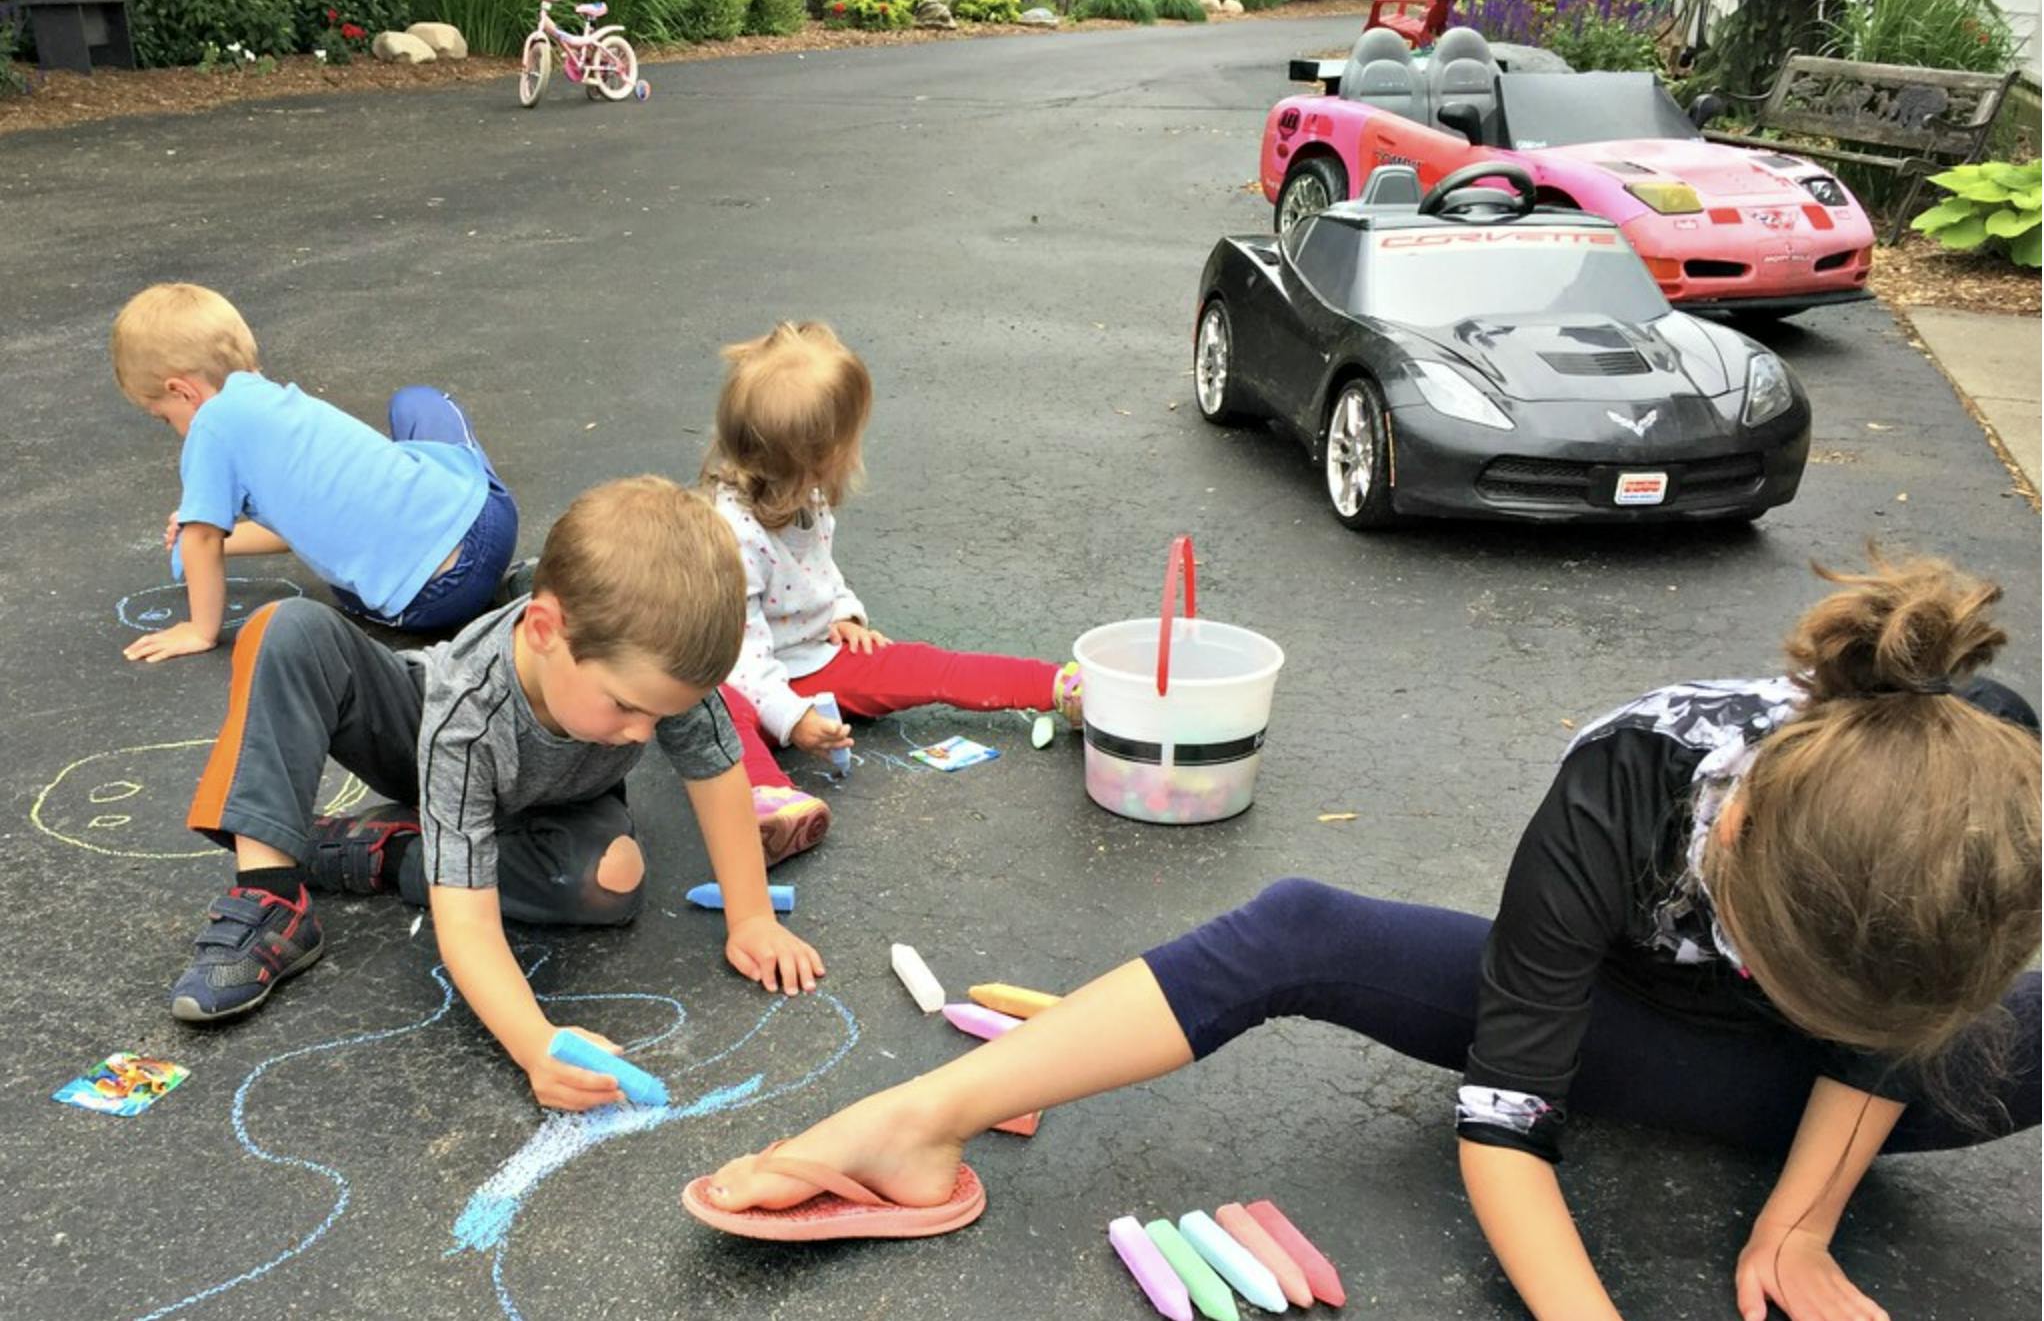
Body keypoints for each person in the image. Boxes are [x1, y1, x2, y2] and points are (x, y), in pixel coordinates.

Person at [688, 552, 2041, 1321]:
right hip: (1621, 1020)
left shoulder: (1988, 773)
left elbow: (1908, 1030)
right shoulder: (1629, 779)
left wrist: (1801, 1226)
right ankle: (919, 1121)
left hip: (1876, 1066)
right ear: (1733, 846)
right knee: (1300, 927)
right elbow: (1509, 1113)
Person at [170, 476, 824, 1111]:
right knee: (289, 630)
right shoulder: (466, 711)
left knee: (613, 880)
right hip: (420, 733)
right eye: (628, 709)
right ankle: (272, 893)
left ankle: (389, 849)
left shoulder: (653, 659)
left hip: (555, 798)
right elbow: (468, 926)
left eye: (658, 716)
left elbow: (715, 772)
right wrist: (535, 1043)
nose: (642, 734)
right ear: (545, 630)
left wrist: (752, 919)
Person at [701, 322, 1084, 863]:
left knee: (926, 667)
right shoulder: (731, 532)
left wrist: (844, 615)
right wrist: (792, 718)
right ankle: (766, 802)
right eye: (850, 441)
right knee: (719, 715)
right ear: (819, 455)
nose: (857, 452)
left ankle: (1058, 686)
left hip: (812, 658)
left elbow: (818, 573)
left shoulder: (802, 494)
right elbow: (740, 656)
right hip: (743, 676)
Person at [111, 282, 518, 660]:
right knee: (416, 404)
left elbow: (202, 538)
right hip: (488, 523)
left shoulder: (210, 427)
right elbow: (291, 529)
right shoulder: (276, 403)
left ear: (182, 391)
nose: (175, 428)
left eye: (164, 418)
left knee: (348, 593)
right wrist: (216, 537)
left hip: (436, 598)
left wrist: (201, 630)